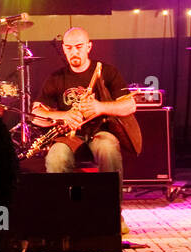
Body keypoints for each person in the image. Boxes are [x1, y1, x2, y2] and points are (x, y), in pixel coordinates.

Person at [32, 27, 137, 233]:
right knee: (56, 157)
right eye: (69, 48)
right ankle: (63, 215)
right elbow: (36, 114)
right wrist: (63, 116)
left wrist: (100, 107)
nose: (74, 52)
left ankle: (113, 213)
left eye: (79, 47)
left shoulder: (107, 71)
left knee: (107, 147)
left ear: (89, 47)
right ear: (63, 49)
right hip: (69, 136)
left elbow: (130, 105)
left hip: (100, 132)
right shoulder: (56, 78)